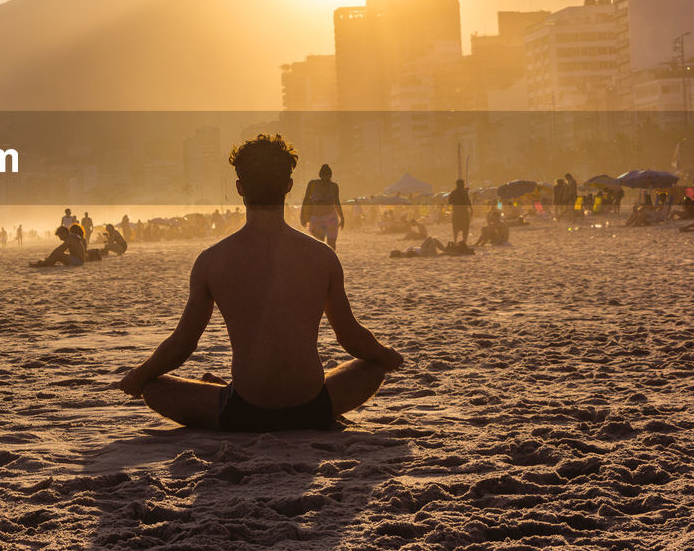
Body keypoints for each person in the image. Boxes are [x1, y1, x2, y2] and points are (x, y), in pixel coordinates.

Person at [117, 133, 403, 431]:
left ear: (240, 188)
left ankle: (219, 390)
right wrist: (386, 355)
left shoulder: (212, 260)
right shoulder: (323, 256)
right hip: (312, 407)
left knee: (154, 388)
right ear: (289, 186)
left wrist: (139, 375)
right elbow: (351, 337)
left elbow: (183, 344)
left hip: (243, 412)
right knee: (373, 368)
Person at [300, 164, 344, 249]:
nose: (325, 179)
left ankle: (330, 262)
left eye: (327, 177)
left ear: (330, 176)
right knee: (319, 245)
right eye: (324, 176)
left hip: (331, 218)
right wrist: (303, 216)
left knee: (331, 245)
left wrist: (342, 217)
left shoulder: (334, 186)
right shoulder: (312, 184)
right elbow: (305, 200)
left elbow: (337, 202)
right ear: (320, 175)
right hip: (317, 219)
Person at [447, 180, 472, 245]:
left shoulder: (453, 193)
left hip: (456, 212)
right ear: (461, 185)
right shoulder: (465, 192)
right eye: (463, 184)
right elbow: (468, 201)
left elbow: (450, 202)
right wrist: (471, 210)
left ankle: (455, 241)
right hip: (464, 212)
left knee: (455, 228)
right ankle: (464, 242)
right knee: (465, 228)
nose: (464, 185)